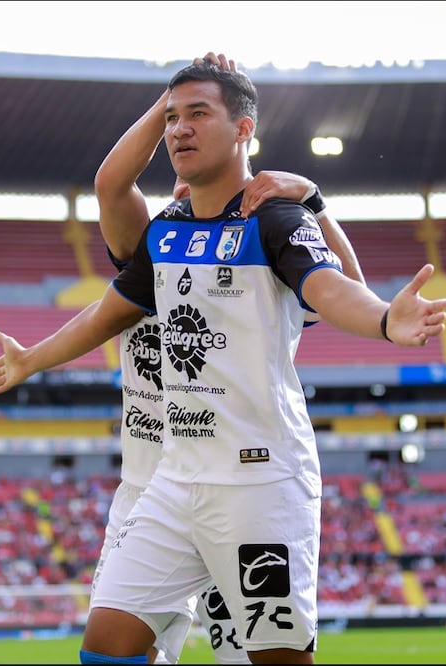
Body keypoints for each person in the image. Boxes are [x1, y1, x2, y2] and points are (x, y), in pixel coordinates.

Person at [0, 57, 446, 664]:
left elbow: (331, 289)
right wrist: (31, 360)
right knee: (106, 646)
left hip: (259, 483)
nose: (179, 129)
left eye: (198, 114)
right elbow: (106, 315)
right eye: (173, 117)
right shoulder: (166, 232)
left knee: (273, 658)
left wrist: (387, 319)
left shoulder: (276, 219)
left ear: (243, 129)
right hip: (173, 480)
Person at [86, 52, 366, 666]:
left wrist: (315, 200)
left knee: (252, 657)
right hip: (151, 488)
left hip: (238, 481)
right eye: (172, 130)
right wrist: (174, 106)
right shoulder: (151, 247)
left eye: (198, 119)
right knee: (119, 649)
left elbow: (348, 284)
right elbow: (112, 183)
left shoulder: (255, 250)